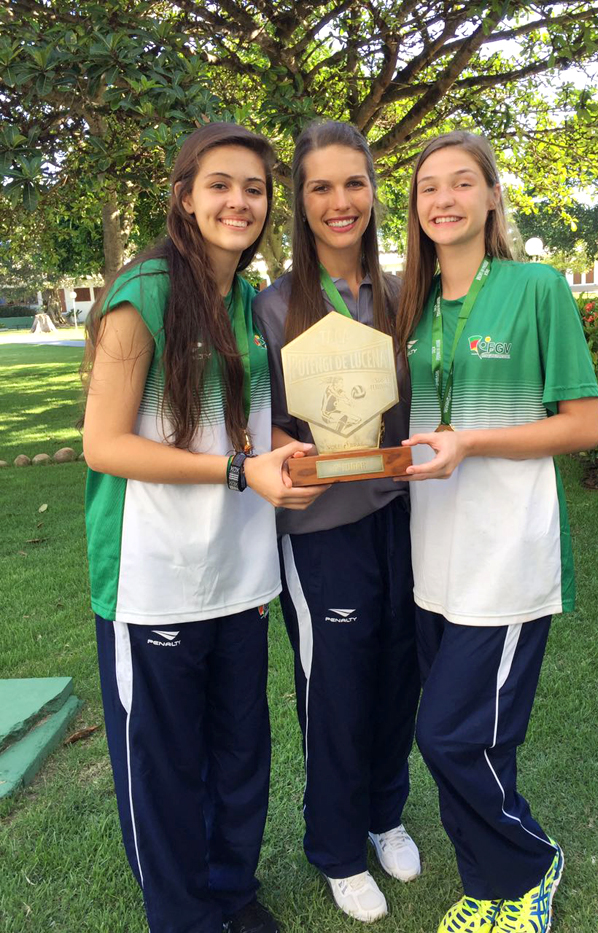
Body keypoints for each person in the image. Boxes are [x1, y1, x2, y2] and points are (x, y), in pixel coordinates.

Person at [81, 122, 322, 933]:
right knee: (165, 766)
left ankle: (230, 890)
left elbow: (240, 429)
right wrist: (233, 471)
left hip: (239, 571)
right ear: (184, 196)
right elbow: (104, 444)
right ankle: (182, 915)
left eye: (254, 188)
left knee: (240, 752)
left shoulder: (250, 305)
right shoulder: (141, 293)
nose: (239, 201)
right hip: (153, 578)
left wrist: (288, 452)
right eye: (221, 184)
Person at [395, 131, 598, 933]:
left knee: (448, 733)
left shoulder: (536, 287)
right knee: (476, 736)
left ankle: (527, 865)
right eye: (426, 189)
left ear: (490, 197)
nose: (442, 199)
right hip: (430, 556)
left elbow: (582, 425)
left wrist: (474, 440)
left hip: (508, 556)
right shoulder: (409, 307)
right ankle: (490, 884)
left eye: (460, 183)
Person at [253, 121, 421, 924]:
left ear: (373, 193)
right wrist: (280, 444)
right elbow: (257, 427)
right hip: (321, 532)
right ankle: (337, 850)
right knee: (337, 685)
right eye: (321, 186)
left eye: (353, 183)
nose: (340, 201)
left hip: (402, 517)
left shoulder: (400, 294)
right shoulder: (273, 304)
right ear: (300, 202)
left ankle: (386, 813)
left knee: (399, 671)